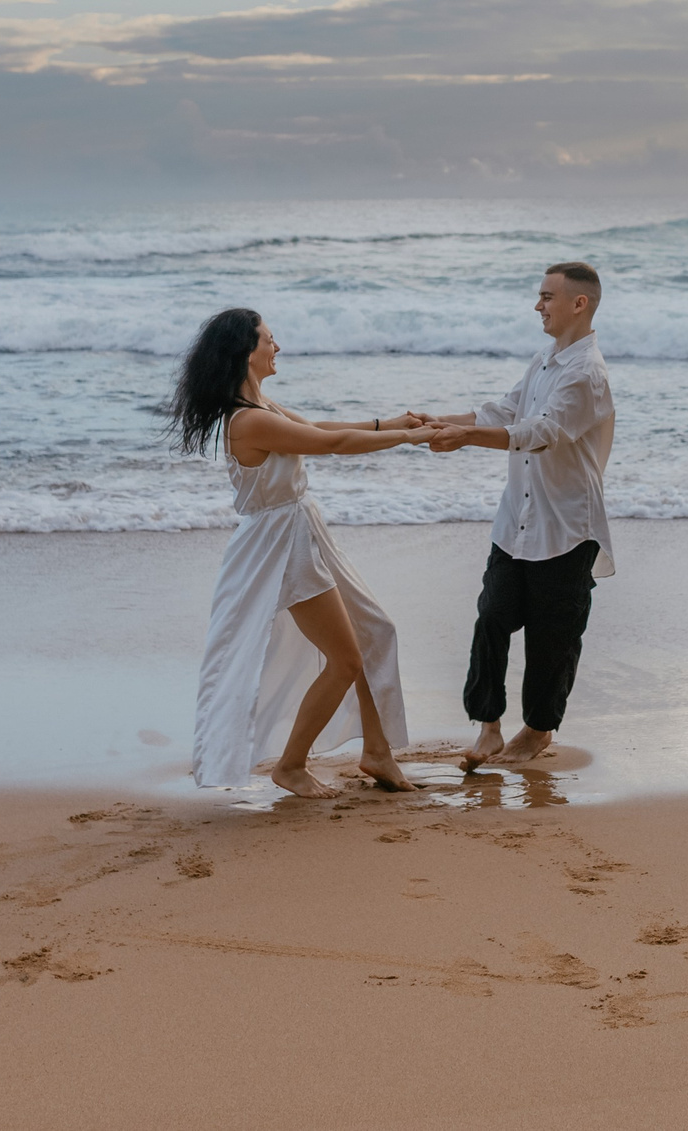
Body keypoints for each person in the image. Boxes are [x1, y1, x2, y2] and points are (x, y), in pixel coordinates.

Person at [172, 308, 438, 798]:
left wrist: (388, 422)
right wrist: (409, 438)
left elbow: (320, 425)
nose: (278, 347)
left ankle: (377, 753)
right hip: (280, 546)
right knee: (346, 660)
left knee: (376, 630)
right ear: (245, 352)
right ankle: (291, 766)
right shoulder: (247, 421)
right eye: (270, 340)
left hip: (302, 528)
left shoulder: (262, 406)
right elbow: (330, 443)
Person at [421, 262, 615, 772]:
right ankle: (488, 727)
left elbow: (540, 431)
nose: (538, 306)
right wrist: (436, 422)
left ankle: (537, 731)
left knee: (553, 638)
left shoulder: (587, 374)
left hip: (566, 528)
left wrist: (465, 439)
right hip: (517, 523)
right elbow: (504, 413)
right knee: (492, 617)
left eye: (547, 296)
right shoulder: (545, 360)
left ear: (580, 304)